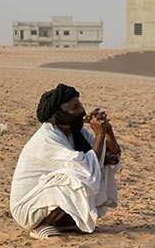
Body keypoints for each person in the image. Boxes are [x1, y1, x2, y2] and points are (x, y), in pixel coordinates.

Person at [10, 83, 122, 239]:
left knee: (97, 169)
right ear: (59, 114)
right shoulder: (48, 137)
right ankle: (42, 225)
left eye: (80, 105)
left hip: (42, 200)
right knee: (75, 177)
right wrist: (100, 135)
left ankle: (64, 221)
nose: (82, 110)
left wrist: (107, 131)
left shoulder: (75, 132)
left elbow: (110, 158)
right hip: (27, 209)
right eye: (75, 108)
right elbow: (88, 169)